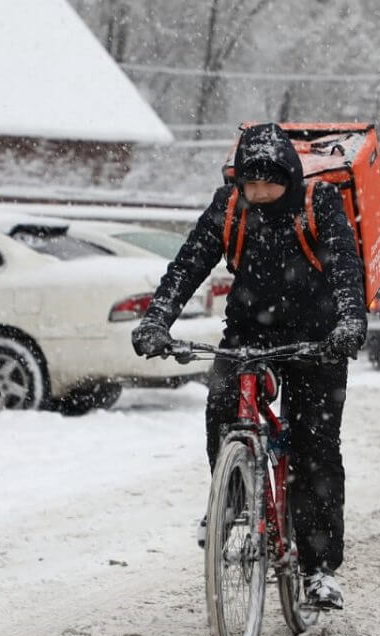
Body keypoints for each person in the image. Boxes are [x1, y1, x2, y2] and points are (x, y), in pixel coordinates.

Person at [131, 122, 367, 611]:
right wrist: (157, 318)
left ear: (289, 176)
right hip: (249, 333)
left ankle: (318, 570)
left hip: (317, 340)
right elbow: (187, 264)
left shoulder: (318, 204)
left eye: (269, 183)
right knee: (221, 405)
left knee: (314, 447)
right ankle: (233, 498)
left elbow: (347, 267)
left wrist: (348, 324)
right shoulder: (230, 206)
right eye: (250, 182)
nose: (259, 193)